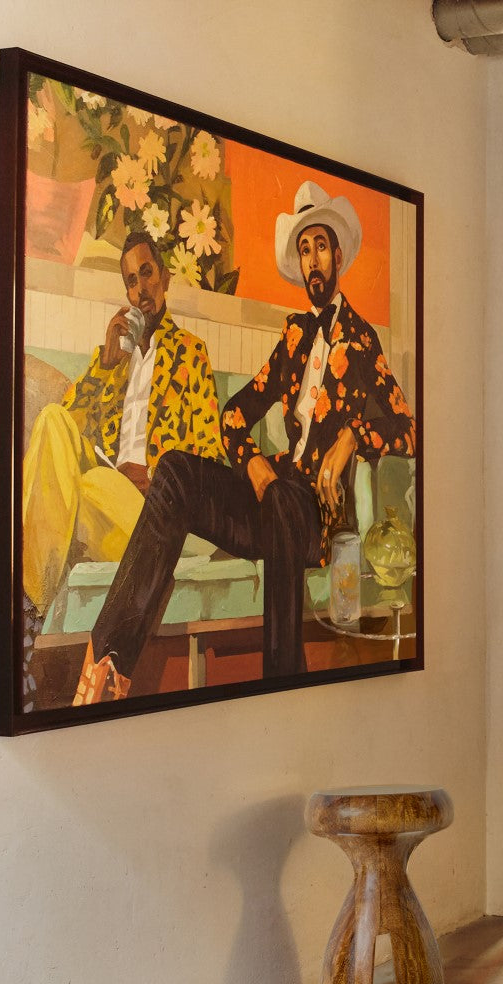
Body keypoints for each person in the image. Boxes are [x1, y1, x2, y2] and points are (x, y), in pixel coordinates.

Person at [72, 182, 416, 704]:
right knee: (176, 473)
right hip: (271, 493)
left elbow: (407, 428)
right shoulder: (295, 338)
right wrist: (252, 460)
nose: (313, 260)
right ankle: (107, 667)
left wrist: (352, 436)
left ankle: (282, 683)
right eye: (305, 250)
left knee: (281, 496)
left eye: (321, 246)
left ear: (338, 254)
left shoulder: (362, 340)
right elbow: (235, 413)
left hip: (316, 516)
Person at [21, 230, 225, 701]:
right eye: (131, 281)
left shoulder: (191, 354)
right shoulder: (113, 361)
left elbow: (211, 460)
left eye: (147, 274)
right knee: (52, 418)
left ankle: (22, 633)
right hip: (104, 504)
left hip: (155, 515)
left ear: (165, 277)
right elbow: (62, 437)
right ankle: (26, 624)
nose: (141, 289)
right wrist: (106, 366)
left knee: (91, 482)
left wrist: (156, 482)